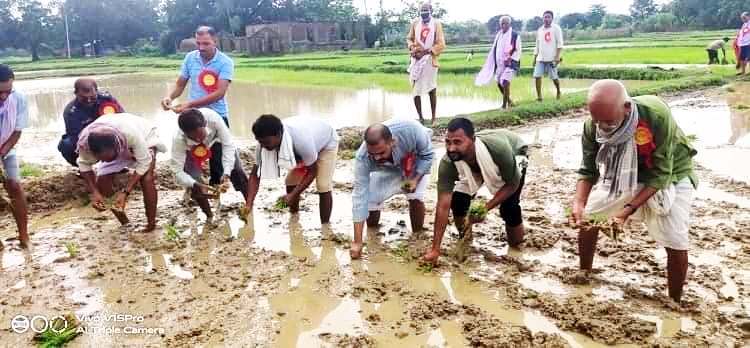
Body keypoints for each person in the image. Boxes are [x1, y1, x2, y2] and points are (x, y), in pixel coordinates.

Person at [570, 80, 698, 303]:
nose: (603, 127)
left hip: (672, 171)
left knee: (675, 235)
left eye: (608, 121)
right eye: (596, 120)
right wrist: (579, 202)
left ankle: (674, 301)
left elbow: (660, 174)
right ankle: (584, 272)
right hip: (623, 172)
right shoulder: (593, 127)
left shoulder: (655, 115)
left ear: (627, 107)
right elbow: (588, 168)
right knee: (590, 216)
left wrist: (626, 211)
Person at [424, 118, 528, 264]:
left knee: (509, 206)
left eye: (457, 142)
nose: (451, 148)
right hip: (471, 164)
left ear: (472, 140)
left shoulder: (499, 149)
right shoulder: (448, 163)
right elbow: (443, 205)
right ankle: (466, 238)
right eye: (448, 142)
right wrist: (435, 249)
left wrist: (486, 208)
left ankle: (517, 248)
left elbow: (512, 184)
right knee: (458, 201)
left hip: (514, 150)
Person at [350, 119, 433, 259]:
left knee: (415, 196)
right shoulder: (363, 158)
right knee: (370, 199)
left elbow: (427, 156)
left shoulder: (413, 131)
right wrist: (357, 241)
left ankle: (417, 236)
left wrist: (415, 179)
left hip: (414, 160)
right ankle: (372, 234)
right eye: (373, 154)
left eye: (381, 152)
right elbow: (359, 196)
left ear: (392, 142)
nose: (376, 157)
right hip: (387, 168)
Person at [77, 113, 166, 232]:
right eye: (102, 159)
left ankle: (151, 224)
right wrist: (95, 192)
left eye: (109, 158)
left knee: (147, 178)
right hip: (111, 147)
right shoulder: (85, 145)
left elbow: (144, 163)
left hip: (145, 135)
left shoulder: (131, 135)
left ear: (117, 148)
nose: (105, 161)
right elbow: (84, 165)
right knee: (102, 182)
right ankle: (126, 223)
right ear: (94, 153)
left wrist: (125, 192)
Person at [246, 115, 339, 224]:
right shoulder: (263, 144)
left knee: (323, 185)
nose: (264, 146)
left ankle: (325, 227)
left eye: (267, 142)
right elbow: (255, 175)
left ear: (279, 135)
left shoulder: (301, 141)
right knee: (290, 181)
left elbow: (312, 171)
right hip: (306, 146)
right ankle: (294, 217)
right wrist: (248, 204)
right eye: (260, 142)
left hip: (326, 143)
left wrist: (293, 195)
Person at [171, 108, 248, 219]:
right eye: (193, 137)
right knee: (195, 185)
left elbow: (228, 146)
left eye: (200, 134)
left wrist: (226, 172)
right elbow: (177, 170)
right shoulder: (178, 138)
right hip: (189, 150)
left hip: (215, 141)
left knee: (237, 170)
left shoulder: (214, 119)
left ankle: (250, 205)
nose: (198, 139)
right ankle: (209, 216)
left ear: (205, 124)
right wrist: (194, 183)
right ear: (184, 133)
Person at [162, 26, 234, 124]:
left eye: (206, 43)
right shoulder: (190, 58)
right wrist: (170, 98)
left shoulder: (225, 62)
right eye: (198, 43)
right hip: (194, 115)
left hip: (217, 115)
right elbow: (180, 85)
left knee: (222, 139)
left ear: (215, 41)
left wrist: (190, 104)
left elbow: (219, 93)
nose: (201, 48)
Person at [58, 78, 124, 167]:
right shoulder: (71, 112)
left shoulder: (107, 99)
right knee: (66, 145)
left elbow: (123, 118)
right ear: (76, 93)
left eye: (92, 97)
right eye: (84, 98)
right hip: (87, 140)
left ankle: (116, 164)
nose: (89, 101)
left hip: (111, 136)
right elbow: (76, 138)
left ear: (96, 91)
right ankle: (84, 167)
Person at [0, 64, 29, 248]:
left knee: (15, 186)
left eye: (7, 91)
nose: (3, 96)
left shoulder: (19, 99)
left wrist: (2, 151)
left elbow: (17, 132)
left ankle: (24, 236)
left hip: (6, 148)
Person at [406, 3, 446, 127]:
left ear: (431, 11)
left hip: (429, 60)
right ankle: (421, 118)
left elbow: (441, 44)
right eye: (422, 11)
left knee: (431, 89)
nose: (424, 13)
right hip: (416, 60)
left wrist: (426, 51)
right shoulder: (415, 23)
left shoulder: (436, 24)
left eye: (426, 11)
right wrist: (412, 48)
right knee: (415, 90)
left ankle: (434, 118)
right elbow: (409, 38)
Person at [476, 16, 522, 110]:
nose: (504, 25)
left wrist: (511, 58)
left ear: (509, 24)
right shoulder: (499, 35)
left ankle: (504, 106)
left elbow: (518, 50)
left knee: (505, 82)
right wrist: (493, 61)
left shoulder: (514, 35)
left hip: (510, 63)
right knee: (499, 83)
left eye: (506, 23)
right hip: (500, 63)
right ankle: (509, 101)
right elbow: (495, 48)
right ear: (500, 25)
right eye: (502, 23)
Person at [533, 11, 564, 101]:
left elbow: (560, 44)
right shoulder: (540, 30)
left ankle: (558, 91)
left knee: (554, 77)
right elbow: (537, 45)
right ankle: (539, 97)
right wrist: (534, 58)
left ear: (552, 18)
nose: (546, 19)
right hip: (540, 58)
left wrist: (557, 57)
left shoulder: (556, 28)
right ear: (542, 18)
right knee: (537, 76)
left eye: (548, 17)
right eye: (545, 17)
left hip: (552, 58)